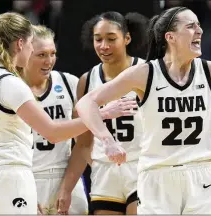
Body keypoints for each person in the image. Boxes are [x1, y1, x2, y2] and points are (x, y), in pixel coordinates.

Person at [74, 7, 211, 214]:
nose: (199, 30)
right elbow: (86, 103)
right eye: (191, 26)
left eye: (199, 25)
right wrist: (107, 139)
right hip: (157, 175)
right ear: (170, 37)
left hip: (200, 175)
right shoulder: (145, 73)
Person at [0, 12, 137, 214]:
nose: (33, 51)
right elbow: (53, 132)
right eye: (33, 46)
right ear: (20, 44)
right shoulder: (11, 83)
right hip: (8, 179)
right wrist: (102, 114)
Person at [56, 11, 149, 215]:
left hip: (141, 167)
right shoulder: (87, 81)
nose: (104, 46)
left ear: (127, 38)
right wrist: (67, 188)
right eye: (98, 39)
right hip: (105, 173)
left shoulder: (147, 72)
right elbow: (82, 144)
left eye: (111, 39)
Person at [23, 25, 88, 215]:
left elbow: (83, 143)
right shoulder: (11, 87)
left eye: (53, 53)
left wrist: (67, 189)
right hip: (27, 177)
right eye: (41, 55)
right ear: (25, 53)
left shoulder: (70, 83)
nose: (49, 61)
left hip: (65, 175)